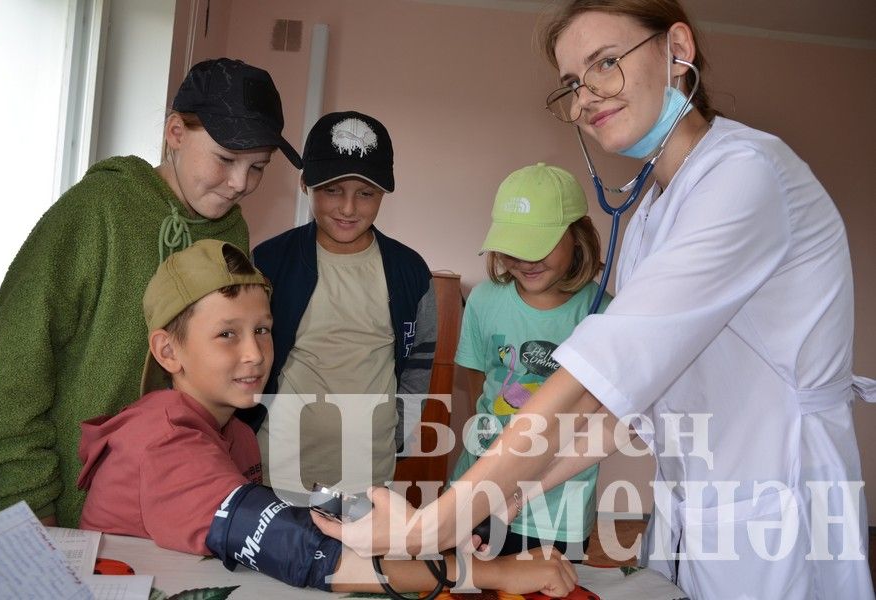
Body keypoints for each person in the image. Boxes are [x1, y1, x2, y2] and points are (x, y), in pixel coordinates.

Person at [313, 2, 876, 599]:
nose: (586, 97)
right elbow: (617, 413)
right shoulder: (652, 217)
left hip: (778, 494)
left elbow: (597, 370)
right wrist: (512, 492)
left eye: (606, 63)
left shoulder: (746, 173)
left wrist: (434, 523)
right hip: (697, 501)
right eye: (572, 85)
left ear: (677, 50)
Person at [77, 239, 577, 597]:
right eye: (227, 335)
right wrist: (495, 573)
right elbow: (300, 550)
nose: (255, 354)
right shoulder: (163, 440)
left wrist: (418, 538)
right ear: (168, 351)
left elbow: (296, 529)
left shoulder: (235, 434)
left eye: (264, 330)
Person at [0, 57, 303, 527]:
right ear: (175, 133)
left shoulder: (232, 234)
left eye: (257, 167)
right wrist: (24, 506)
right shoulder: (98, 211)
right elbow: (15, 368)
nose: (239, 184)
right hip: (61, 509)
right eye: (226, 159)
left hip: (172, 505)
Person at [250, 110, 437, 495]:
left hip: (367, 476)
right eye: (332, 190)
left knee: (355, 558)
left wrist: (397, 439)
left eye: (365, 193)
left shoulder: (410, 273)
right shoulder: (267, 264)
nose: (348, 208)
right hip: (273, 469)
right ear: (305, 184)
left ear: (383, 193)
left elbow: (418, 366)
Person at [450, 162, 610, 559]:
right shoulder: (484, 302)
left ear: (579, 238)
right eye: (513, 245)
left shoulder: (602, 315)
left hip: (558, 511)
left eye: (540, 244)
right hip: (479, 494)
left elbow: (603, 421)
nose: (525, 259)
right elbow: (478, 388)